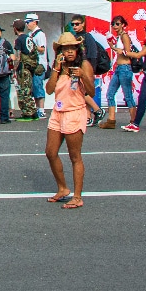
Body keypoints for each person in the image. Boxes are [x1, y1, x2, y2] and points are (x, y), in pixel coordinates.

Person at [44, 32, 98, 208]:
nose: (69, 52)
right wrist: (56, 69)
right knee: (50, 152)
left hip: (75, 112)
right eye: (65, 48)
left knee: (75, 156)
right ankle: (62, 188)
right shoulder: (58, 66)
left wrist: (82, 75)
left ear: (77, 49)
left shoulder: (84, 65)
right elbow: (50, 90)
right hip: (58, 111)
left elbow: (92, 92)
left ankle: (77, 196)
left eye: (72, 48)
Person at [102, 16, 139, 130]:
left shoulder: (124, 36)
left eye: (117, 24)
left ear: (123, 24)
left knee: (128, 96)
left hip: (125, 67)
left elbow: (128, 52)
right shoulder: (119, 37)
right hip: (119, 68)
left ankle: (134, 121)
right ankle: (111, 120)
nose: (115, 26)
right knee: (110, 94)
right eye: (113, 24)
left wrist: (119, 50)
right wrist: (112, 47)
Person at [11, 19, 39, 122]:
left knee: (23, 91)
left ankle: (28, 113)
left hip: (23, 68)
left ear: (15, 28)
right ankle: (33, 111)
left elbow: (18, 56)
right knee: (28, 89)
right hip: (30, 67)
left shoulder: (19, 40)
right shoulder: (29, 38)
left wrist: (14, 68)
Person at [23, 14, 49, 117]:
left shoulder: (40, 34)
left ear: (35, 22)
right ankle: (37, 108)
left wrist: (32, 44)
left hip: (40, 64)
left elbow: (42, 49)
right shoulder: (30, 34)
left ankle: (41, 110)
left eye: (28, 22)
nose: (27, 24)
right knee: (33, 87)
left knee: (38, 86)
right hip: (32, 64)